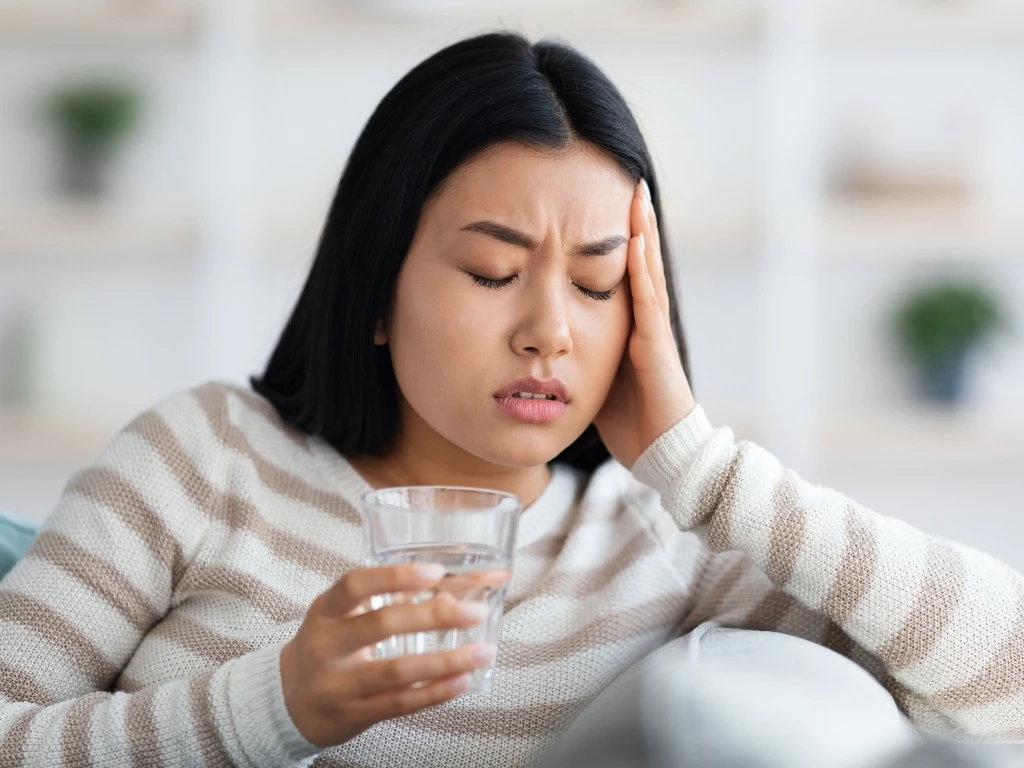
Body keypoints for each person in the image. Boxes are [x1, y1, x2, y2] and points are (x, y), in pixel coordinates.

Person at [1, 31, 1022, 767]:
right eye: (492, 273)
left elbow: (1005, 688)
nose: (551, 330)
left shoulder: (656, 538)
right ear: (374, 293)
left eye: (595, 284)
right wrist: (271, 709)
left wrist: (699, 466)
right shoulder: (202, 457)